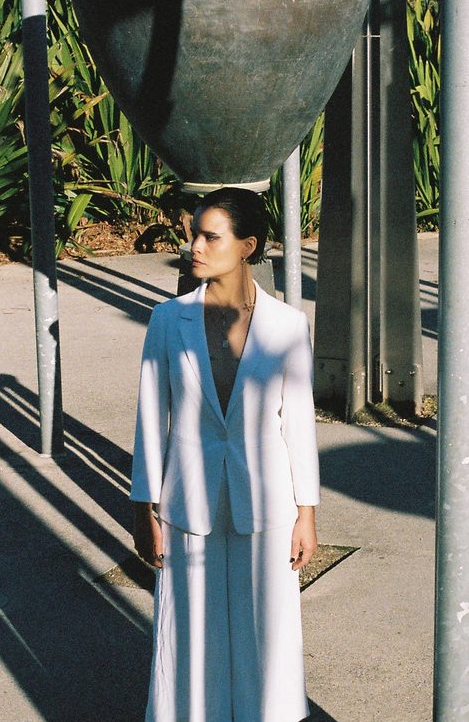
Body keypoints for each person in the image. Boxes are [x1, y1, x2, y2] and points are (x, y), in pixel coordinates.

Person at [130, 187, 320, 722]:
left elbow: (298, 423)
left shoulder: (287, 325)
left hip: (267, 502)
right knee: (188, 632)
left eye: (210, 237)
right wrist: (142, 507)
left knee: (268, 632)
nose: (195, 246)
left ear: (247, 246)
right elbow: (150, 418)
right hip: (188, 500)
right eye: (194, 234)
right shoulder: (168, 320)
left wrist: (307, 512)